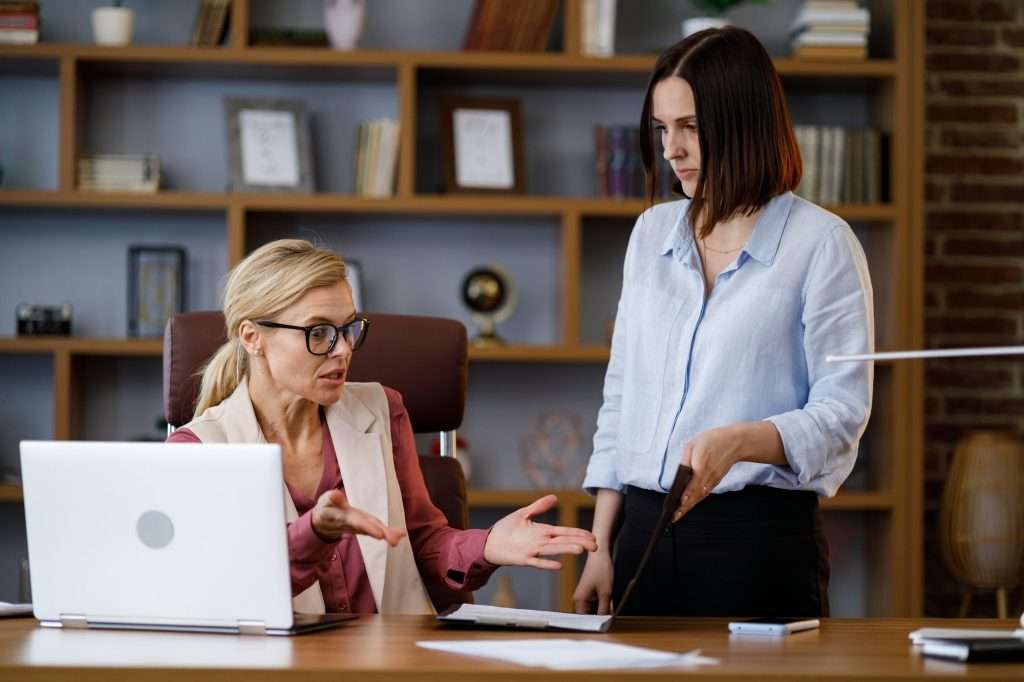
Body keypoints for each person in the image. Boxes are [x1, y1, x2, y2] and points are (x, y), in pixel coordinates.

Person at [572, 27, 873, 618]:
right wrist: (600, 544)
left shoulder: (822, 244)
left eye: (689, 127)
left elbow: (841, 417)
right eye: (662, 129)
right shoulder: (650, 234)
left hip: (756, 544)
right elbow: (621, 400)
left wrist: (740, 441)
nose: (670, 149)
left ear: (742, 123)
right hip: (640, 538)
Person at [169, 238, 596, 615]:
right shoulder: (202, 451)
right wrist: (314, 533)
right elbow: (228, 589)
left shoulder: (381, 409)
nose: (343, 351)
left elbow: (423, 543)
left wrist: (487, 546)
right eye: (319, 333)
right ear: (252, 337)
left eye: (349, 329)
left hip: (396, 660)